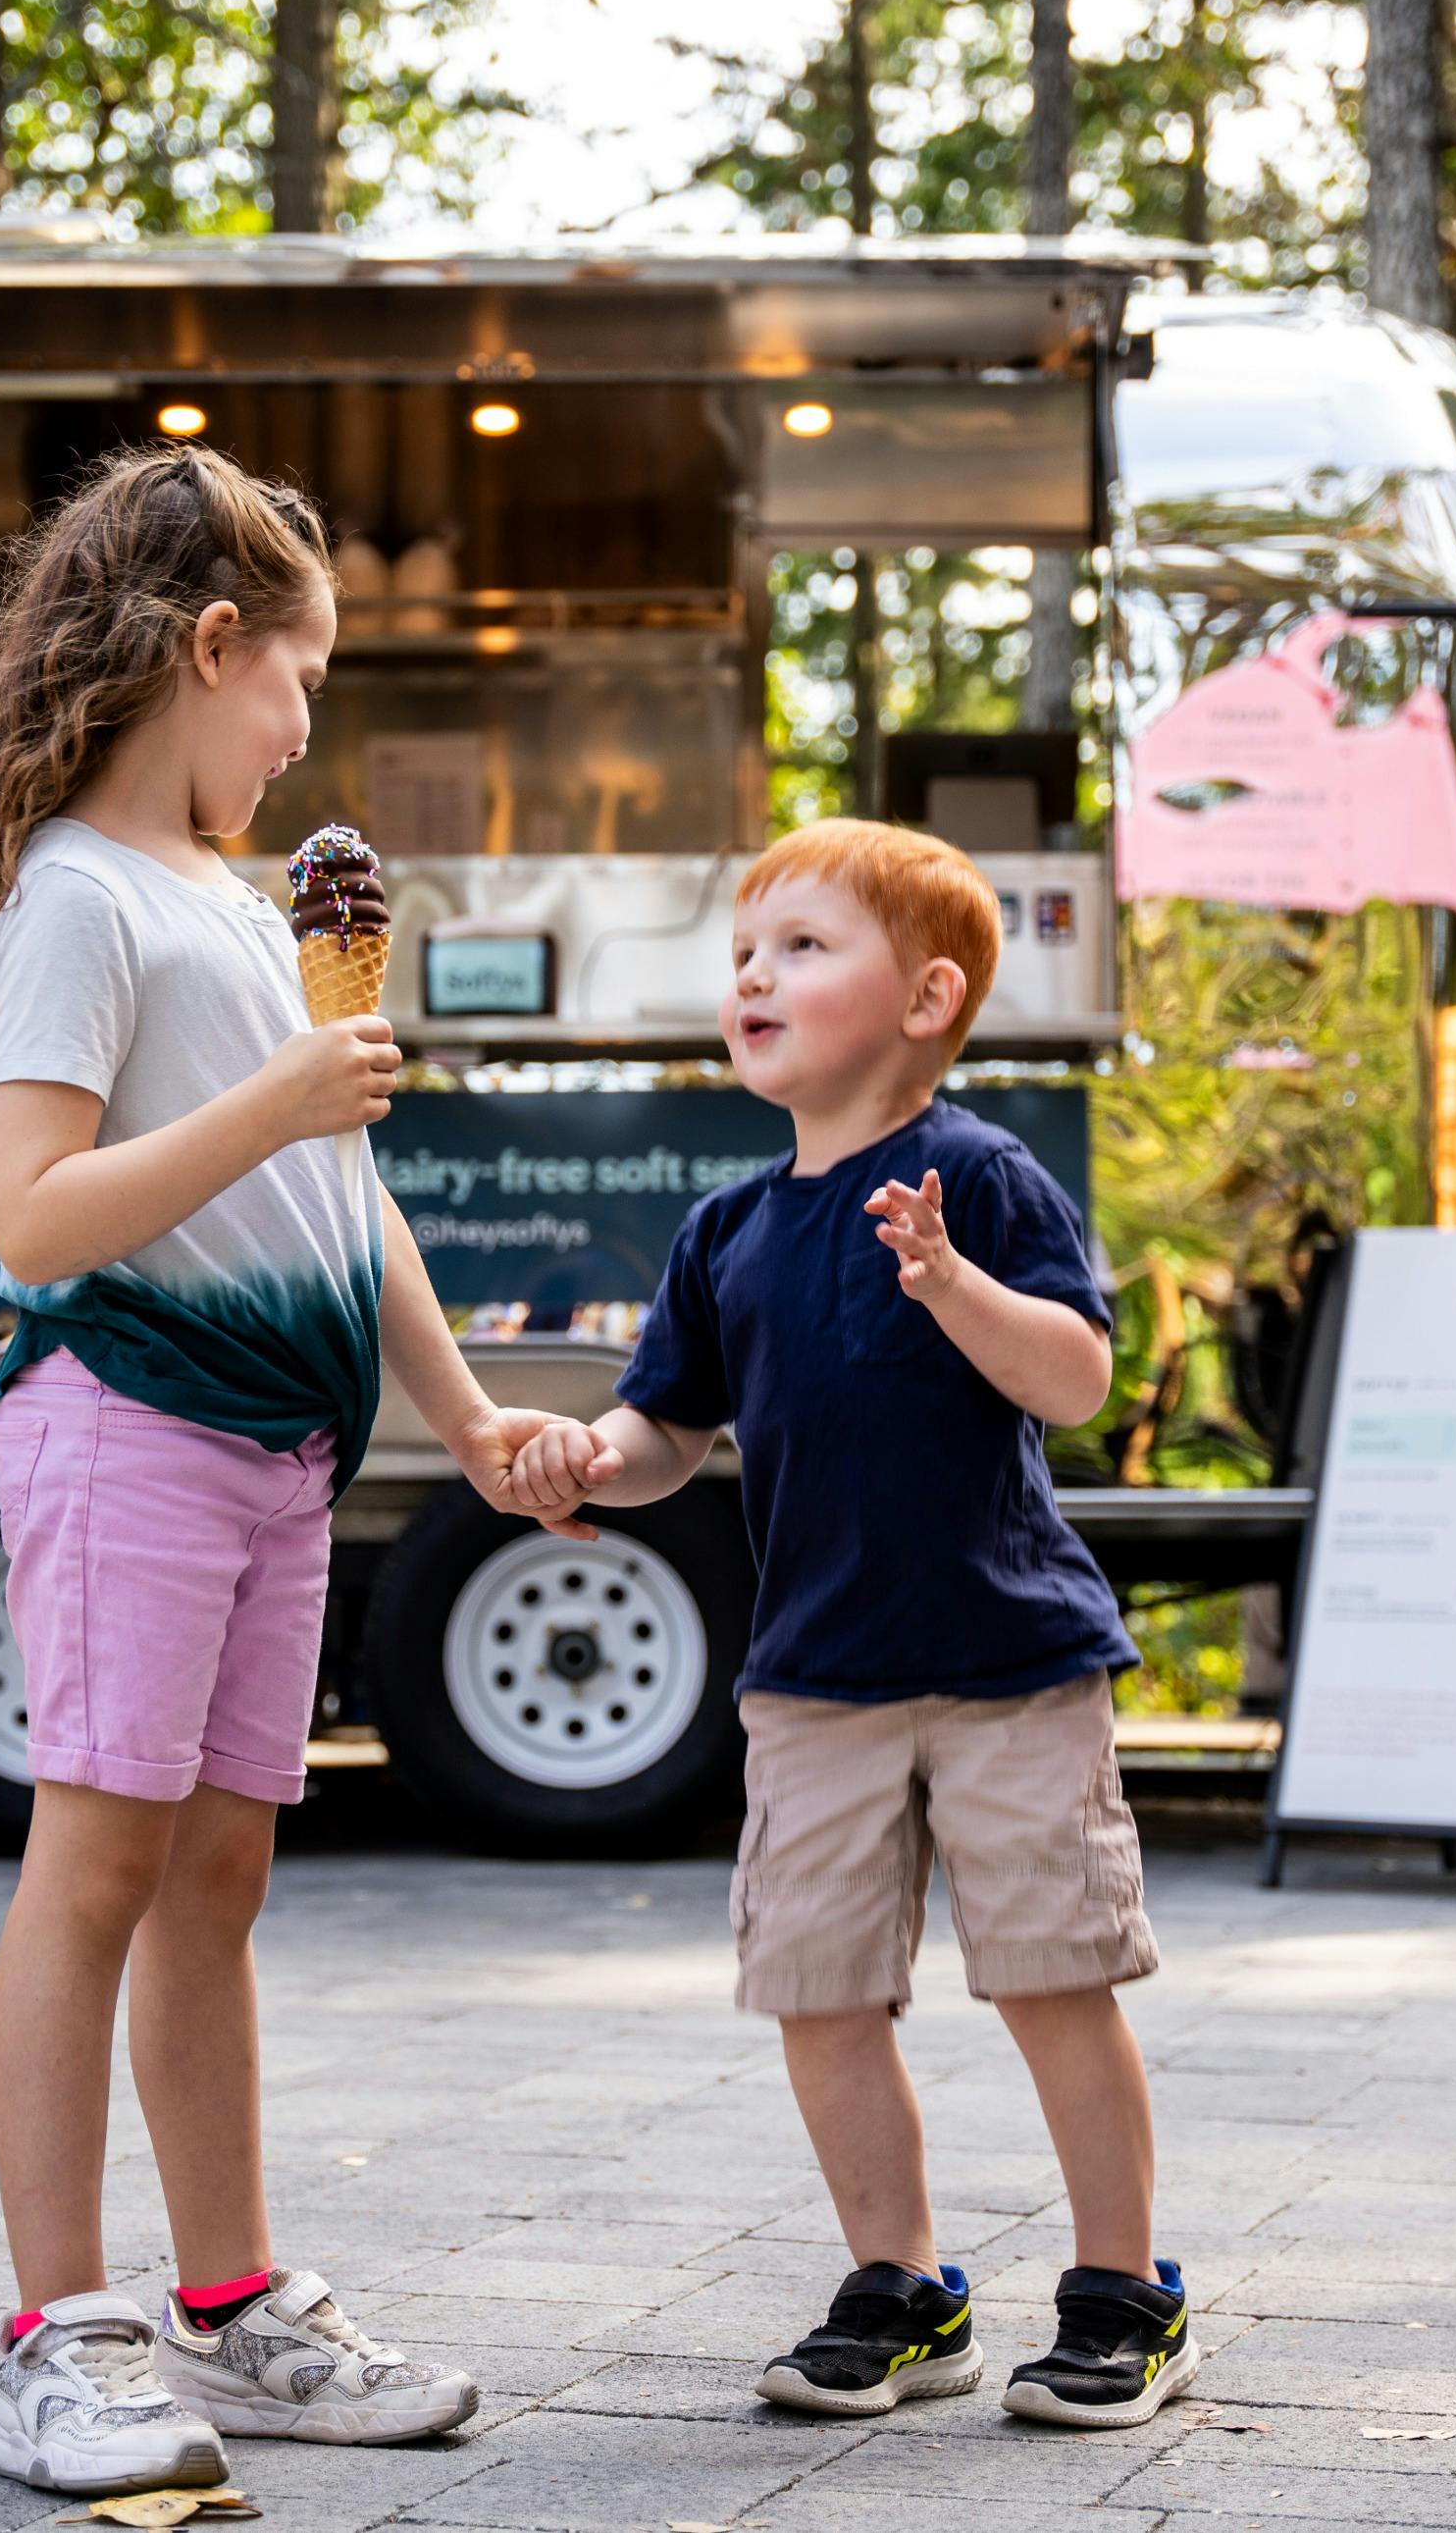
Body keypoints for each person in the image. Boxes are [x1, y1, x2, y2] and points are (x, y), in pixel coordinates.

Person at [0, 442, 592, 2496]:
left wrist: (463, 1409)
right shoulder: (79, 896)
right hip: (128, 1426)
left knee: (216, 1874)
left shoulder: (231, 901)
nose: (308, 731)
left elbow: (344, 1186)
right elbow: (36, 1218)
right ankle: (53, 2332)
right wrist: (290, 1089)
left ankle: (227, 2308)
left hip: (275, 1454)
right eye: (295, 683)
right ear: (209, 649)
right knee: (99, 1862)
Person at [515, 818, 1197, 2430]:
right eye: (745, 950)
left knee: (1051, 1974)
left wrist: (953, 1282)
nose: (756, 972)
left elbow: (1077, 1380)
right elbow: (667, 1428)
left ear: (926, 994)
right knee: (816, 1985)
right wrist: (585, 1460)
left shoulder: (980, 1176)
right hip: (811, 1675)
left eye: (805, 945)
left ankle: (1124, 2288)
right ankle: (901, 2282)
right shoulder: (727, 1231)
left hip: (1009, 1660)